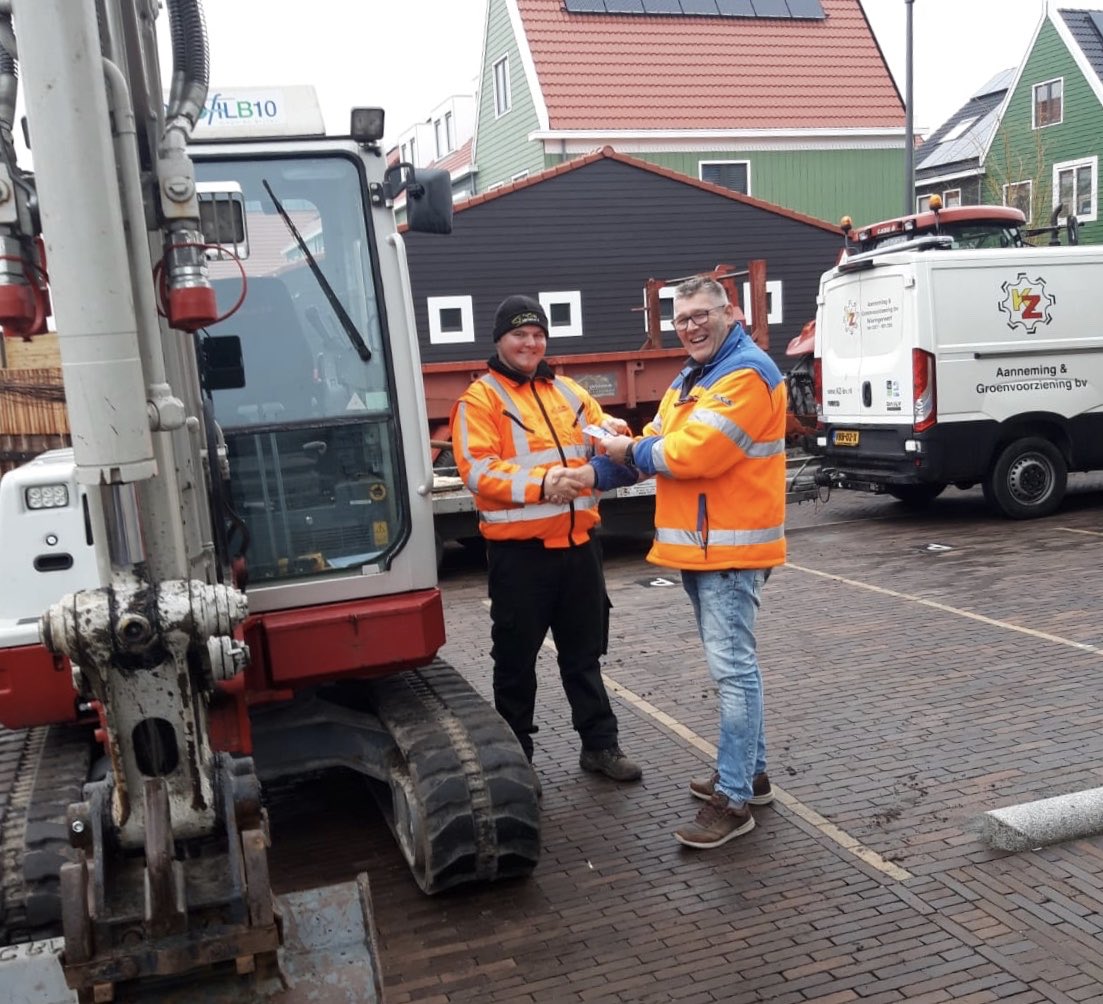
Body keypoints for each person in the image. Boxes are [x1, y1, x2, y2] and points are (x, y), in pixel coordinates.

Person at [584, 276, 786, 848]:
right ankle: (752, 775)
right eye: (682, 319)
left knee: (733, 674)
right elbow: (656, 441)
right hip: (706, 547)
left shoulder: (746, 374)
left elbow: (691, 454)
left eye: (702, 314)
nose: (692, 326)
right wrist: (597, 470)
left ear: (731, 313)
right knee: (736, 671)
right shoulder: (694, 376)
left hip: (729, 551)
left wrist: (625, 450)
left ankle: (734, 799)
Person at [449, 295, 643, 794]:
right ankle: (518, 761)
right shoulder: (480, 401)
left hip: (580, 550)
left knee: (584, 655)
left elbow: (604, 437)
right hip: (521, 558)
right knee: (515, 663)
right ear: (499, 340)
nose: (530, 343)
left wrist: (616, 435)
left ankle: (600, 745)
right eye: (520, 334)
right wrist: (543, 484)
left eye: (537, 334)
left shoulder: (570, 392)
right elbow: (479, 470)